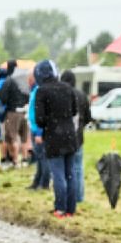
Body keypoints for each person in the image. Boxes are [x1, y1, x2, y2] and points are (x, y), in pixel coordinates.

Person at [34, 60, 78, 218]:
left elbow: (39, 119)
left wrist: (50, 120)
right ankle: (70, 210)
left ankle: (60, 208)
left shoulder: (41, 91)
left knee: (58, 174)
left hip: (53, 137)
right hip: (70, 136)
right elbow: (74, 111)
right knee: (70, 173)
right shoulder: (67, 87)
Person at [61, 69, 91, 203]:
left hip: (64, 138)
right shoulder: (82, 95)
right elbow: (88, 118)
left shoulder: (63, 94)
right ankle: (80, 197)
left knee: (66, 169)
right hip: (79, 137)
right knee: (78, 168)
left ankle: (68, 197)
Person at [0, 59, 30, 169]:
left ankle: (15, 161)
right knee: (24, 138)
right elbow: (28, 95)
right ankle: (25, 159)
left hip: (13, 112)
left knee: (12, 138)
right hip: (24, 112)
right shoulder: (23, 80)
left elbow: (2, 97)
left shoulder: (9, 80)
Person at [26, 73, 50, 191]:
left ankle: (43, 183)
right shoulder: (34, 91)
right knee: (39, 157)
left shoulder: (38, 91)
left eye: (29, 79)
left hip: (38, 129)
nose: (28, 81)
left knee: (43, 157)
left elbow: (41, 113)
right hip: (34, 127)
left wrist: (39, 132)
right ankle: (37, 181)